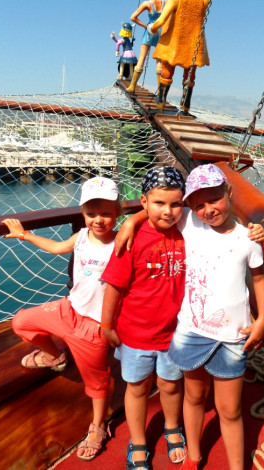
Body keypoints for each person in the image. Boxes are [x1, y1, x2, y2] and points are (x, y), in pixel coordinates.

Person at [116, 163, 264, 470]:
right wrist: (131, 220)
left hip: (232, 336)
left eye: (215, 200)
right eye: (198, 205)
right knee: (194, 396)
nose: (208, 210)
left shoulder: (248, 238)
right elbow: (159, 210)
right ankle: (194, 456)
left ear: (229, 192)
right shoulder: (190, 223)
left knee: (230, 410)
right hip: (192, 332)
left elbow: (259, 278)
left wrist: (262, 318)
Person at [2, 177, 122, 462]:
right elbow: (56, 248)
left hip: (95, 325)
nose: (98, 220)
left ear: (118, 213)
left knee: (96, 382)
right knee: (21, 322)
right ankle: (55, 356)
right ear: (83, 213)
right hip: (69, 309)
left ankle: (98, 425)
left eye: (106, 213)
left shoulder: (122, 242)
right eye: (91, 213)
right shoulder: (81, 236)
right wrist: (25, 235)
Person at [100, 166, 188, 470]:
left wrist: (133, 217)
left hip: (174, 334)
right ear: (144, 201)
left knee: (171, 385)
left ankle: (172, 427)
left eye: (175, 204)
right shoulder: (132, 239)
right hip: (135, 333)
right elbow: (114, 285)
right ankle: (138, 440)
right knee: (137, 388)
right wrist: (107, 325)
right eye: (159, 203)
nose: (168, 211)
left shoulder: (187, 230)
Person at [126, 0, 166, 94]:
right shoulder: (166, 3)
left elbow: (133, 17)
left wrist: (146, 26)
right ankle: (160, 91)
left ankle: (132, 86)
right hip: (161, 32)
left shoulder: (147, 3)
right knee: (159, 62)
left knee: (141, 59)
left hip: (149, 31)